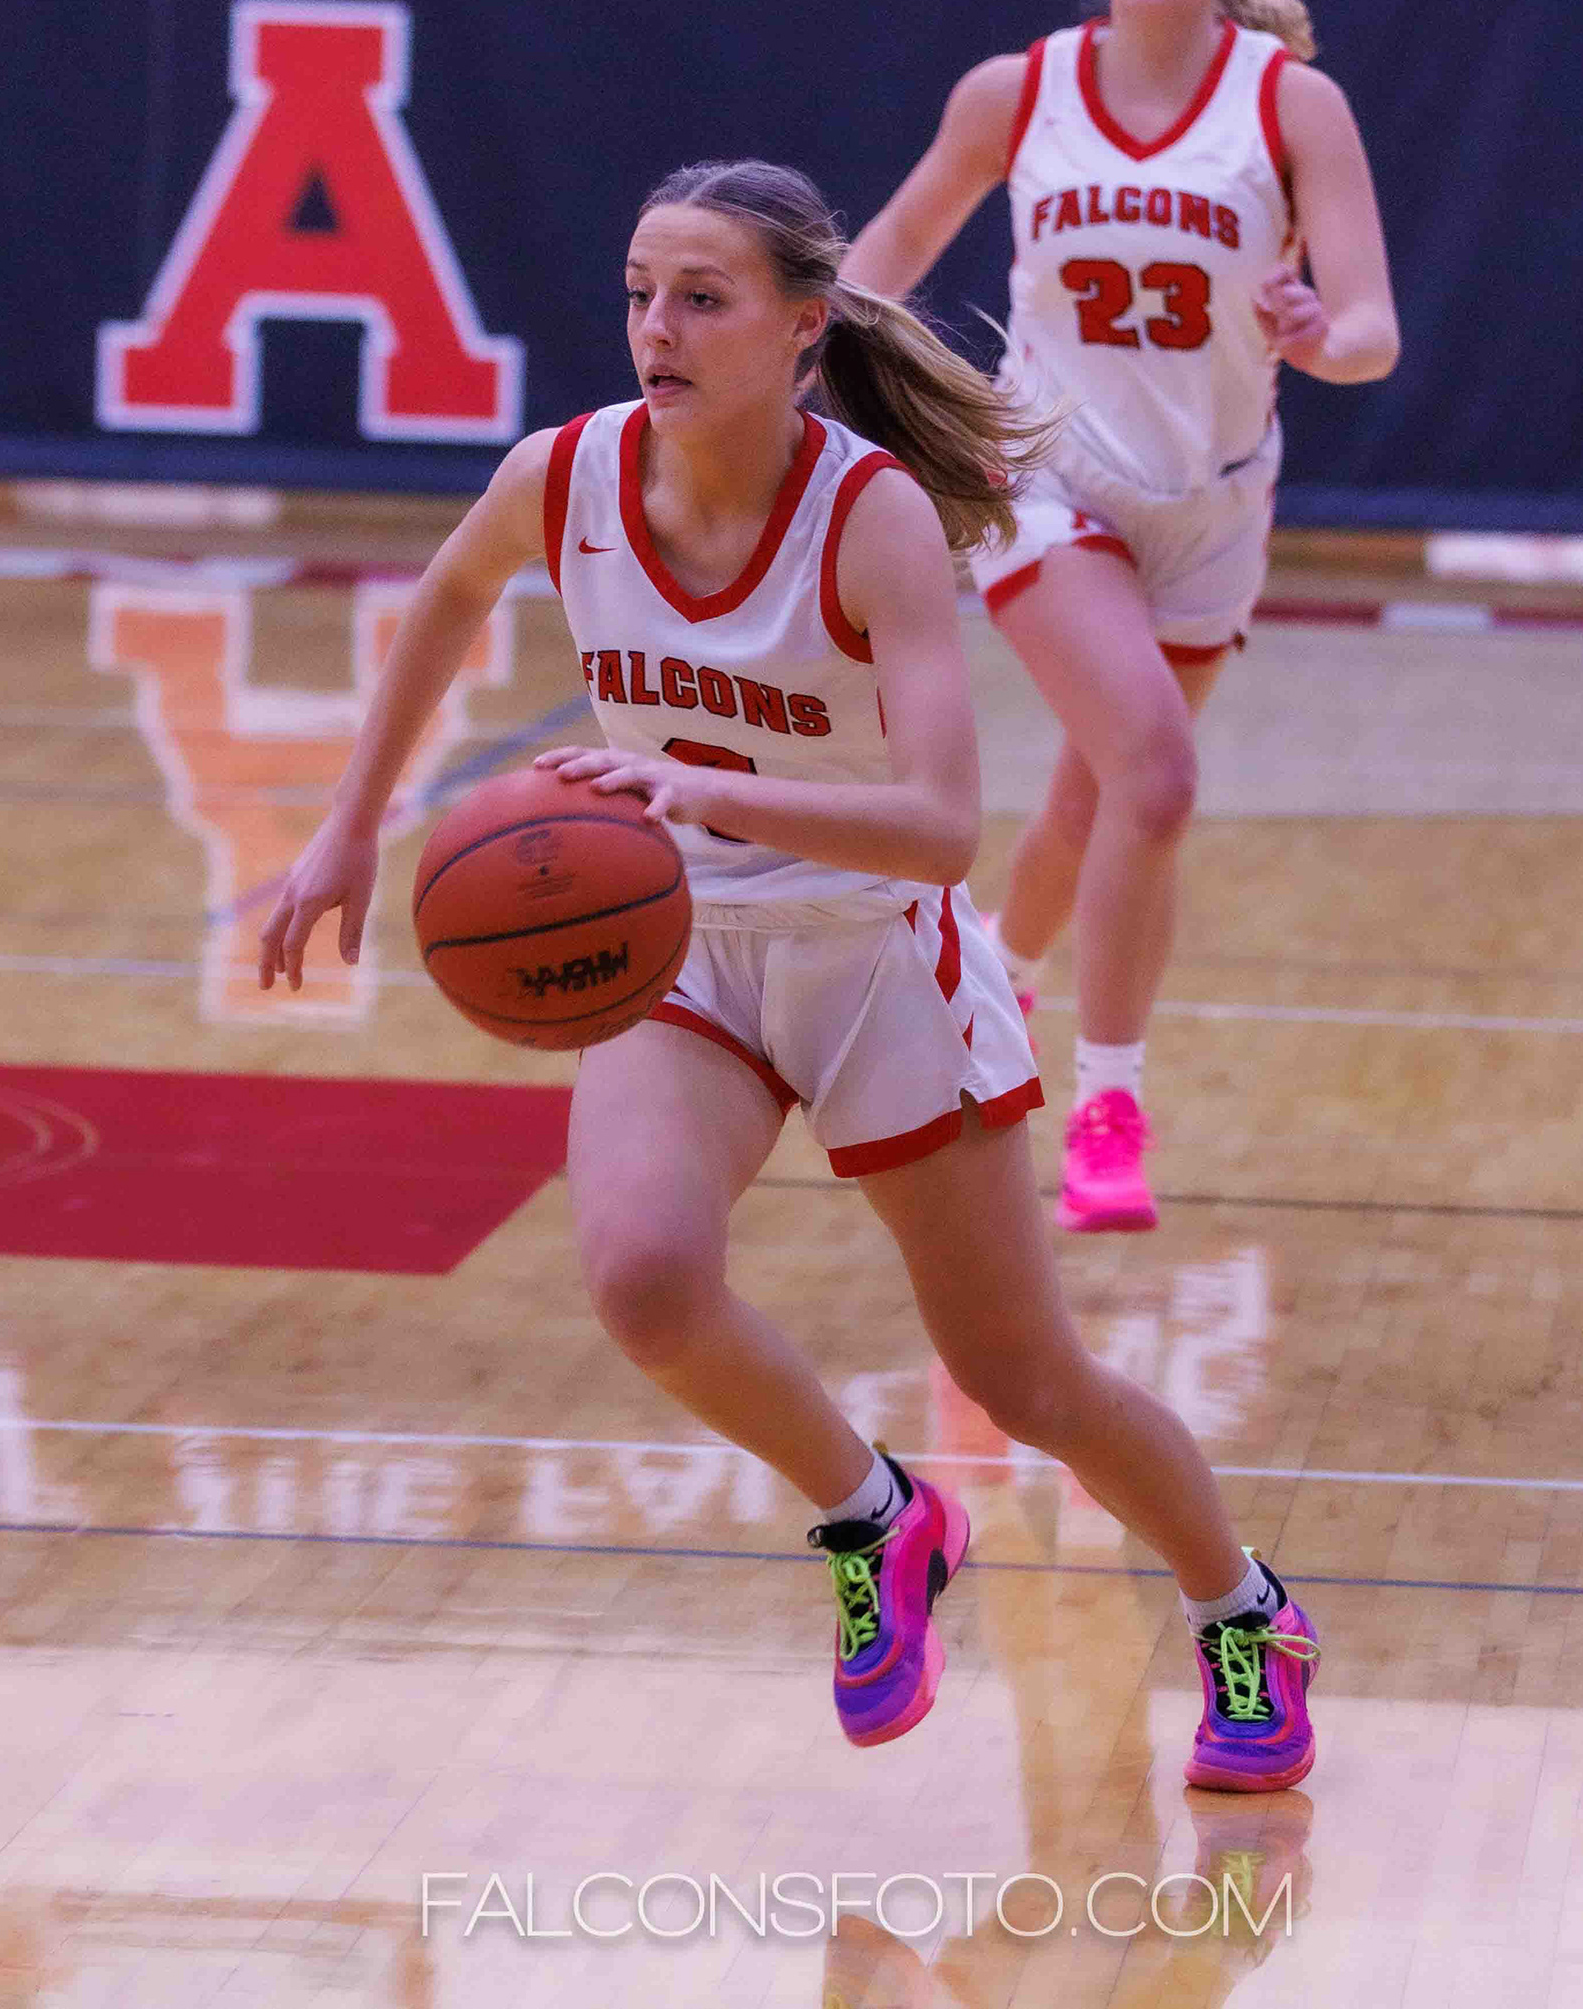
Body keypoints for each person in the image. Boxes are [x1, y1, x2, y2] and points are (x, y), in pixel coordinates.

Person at [259, 158, 1319, 1788]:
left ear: (803, 327)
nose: (656, 330)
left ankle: (1245, 1611)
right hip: (680, 950)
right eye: (639, 294)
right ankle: (876, 1515)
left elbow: (943, 830)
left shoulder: (871, 514)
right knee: (644, 1282)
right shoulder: (567, 476)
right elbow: (447, 596)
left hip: (877, 955)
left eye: (703, 298)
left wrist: (700, 790)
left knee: (1027, 1378)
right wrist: (346, 829)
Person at [843, 0, 1399, 1230]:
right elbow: (887, 256)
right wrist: (811, 359)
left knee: (1094, 805)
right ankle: (1108, 1112)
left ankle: (994, 972)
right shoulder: (1015, 93)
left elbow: (1374, 330)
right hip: (1049, 475)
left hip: (1214, 502)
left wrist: (1322, 336)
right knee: (1155, 775)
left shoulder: (1291, 106)